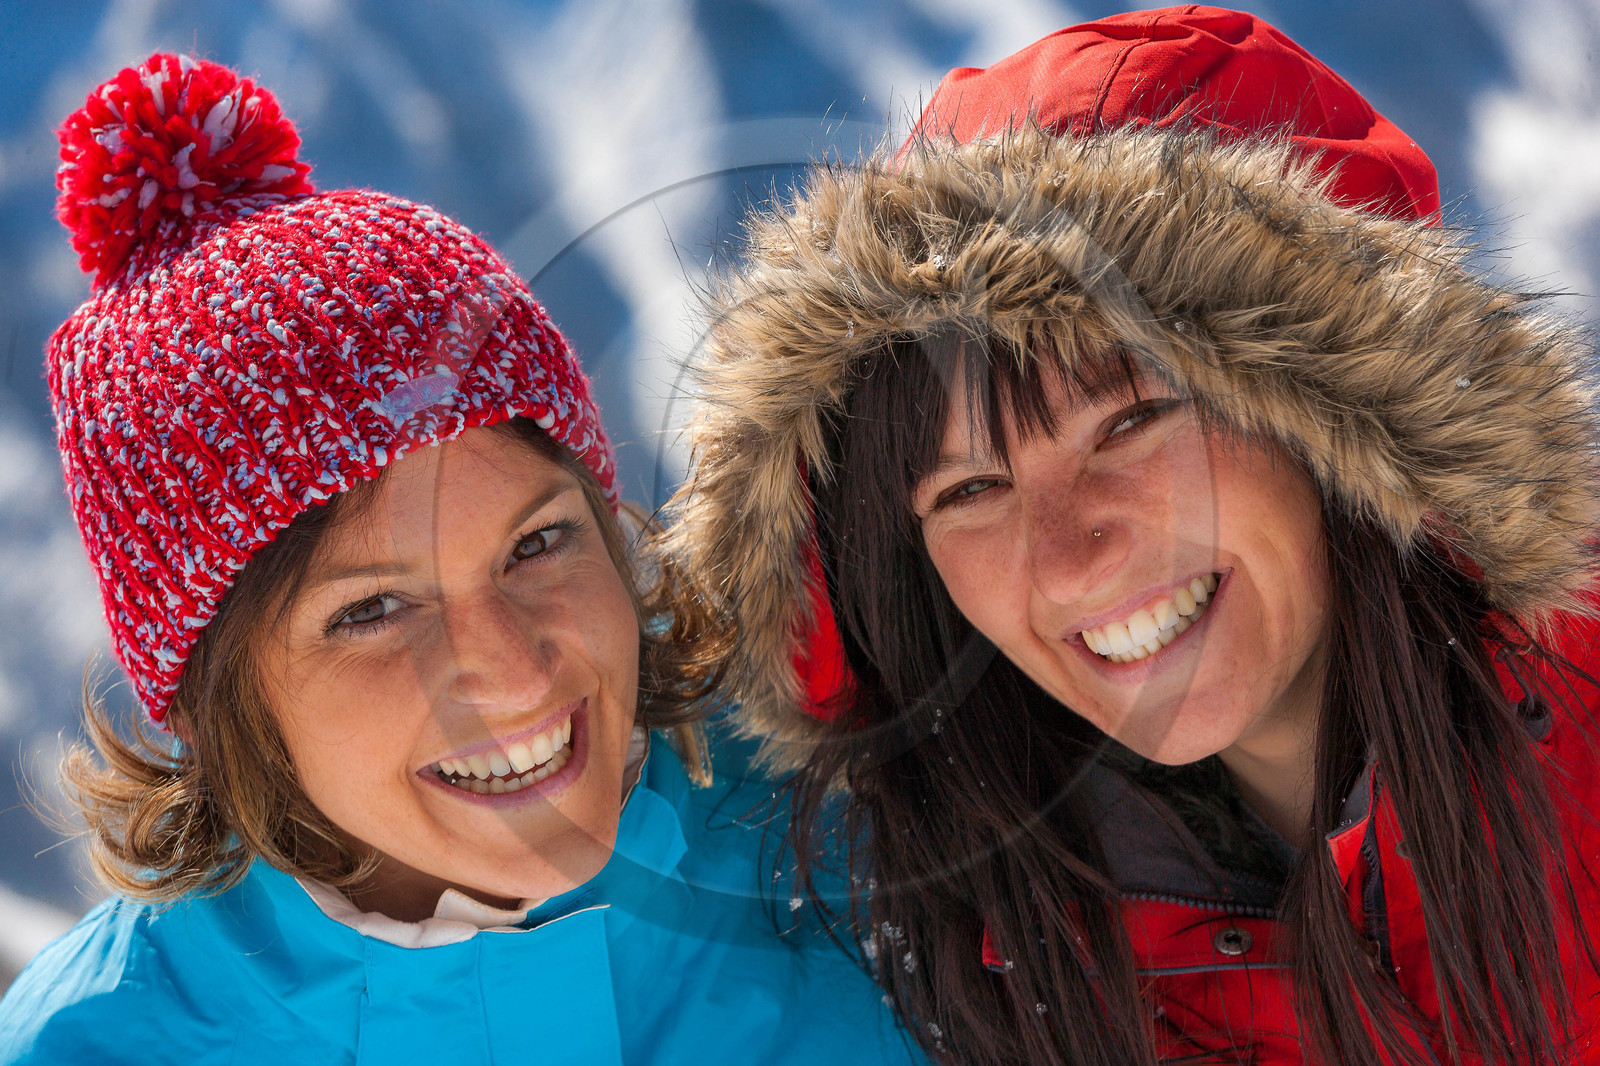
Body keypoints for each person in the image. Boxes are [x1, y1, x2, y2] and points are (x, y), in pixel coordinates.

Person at [666, 7, 1600, 1065]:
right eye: (971, 489)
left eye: (1131, 422)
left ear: (1344, 419)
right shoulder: (991, 971)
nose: (1070, 558)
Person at [0, 53, 921, 1066]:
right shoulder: (95, 1047)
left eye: (538, 543)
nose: (516, 672)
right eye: (371, 609)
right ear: (215, 698)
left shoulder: (860, 828)